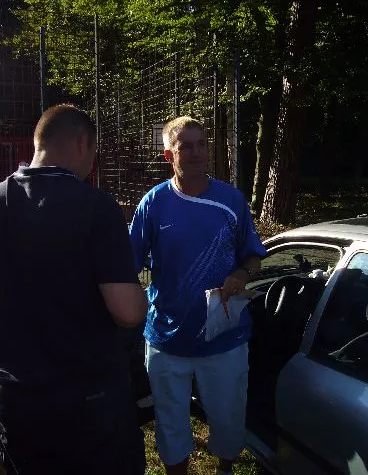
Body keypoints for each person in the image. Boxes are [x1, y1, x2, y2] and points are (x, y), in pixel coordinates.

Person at [0, 104, 148, 475]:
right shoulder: (97, 207)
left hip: (17, 397)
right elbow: (128, 311)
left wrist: (6, 280)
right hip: (89, 402)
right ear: (82, 143)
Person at [129, 115, 266, 475]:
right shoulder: (153, 203)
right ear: (168, 155)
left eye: (201, 144)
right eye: (185, 146)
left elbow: (254, 257)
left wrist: (241, 273)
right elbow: (128, 264)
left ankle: (225, 468)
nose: (196, 153)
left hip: (224, 336)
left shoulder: (231, 200)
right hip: (167, 337)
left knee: (228, 416)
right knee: (170, 422)